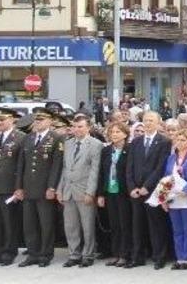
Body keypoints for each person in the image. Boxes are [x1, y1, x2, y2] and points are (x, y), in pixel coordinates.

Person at [16, 107, 65, 267]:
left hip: (45, 188)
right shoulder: (28, 138)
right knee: (29, 224)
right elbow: (21, 165)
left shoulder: (56, 138)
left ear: (50, 121)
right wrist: (19, 187)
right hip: (28, 187)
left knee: (46, 224)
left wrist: (52, 187)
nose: (38, 122)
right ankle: (33, 254)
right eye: (36, 120)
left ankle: (45, 254)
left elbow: (57, 165)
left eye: (41, 120)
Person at [126, 110, 172, 269]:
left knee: (156, 225)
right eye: (145, 120)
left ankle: (159, 256)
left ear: (158, 123)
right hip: (136, 192)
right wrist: (132, 187)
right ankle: (137, 256)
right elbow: (129, 167)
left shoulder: (164, 142)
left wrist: (147, 187)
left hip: (153, 191)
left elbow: (160, 167)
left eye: (151, 120)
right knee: (137, 225)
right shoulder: (136, 142)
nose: (148, 123)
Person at [57, 114, 103, 268]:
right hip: (68, 190)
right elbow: (65, 168)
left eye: (80, 126)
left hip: (84, 191)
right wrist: (60, 189)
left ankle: (88, 255)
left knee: (87, 226)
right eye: (74, 127)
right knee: (70, 226)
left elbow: (95, 170)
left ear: (88, 127)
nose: (76, 129)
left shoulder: (96, 144)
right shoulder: (68, 143)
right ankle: (74, 254)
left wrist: (90, 192)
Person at [0, 108, 26, 266]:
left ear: (12, 120)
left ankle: (9, 252)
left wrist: (19, 187)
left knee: (9, 221)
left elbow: (21, 166)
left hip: (9, 188)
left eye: (2, 120)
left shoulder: (20, 138)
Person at [163, 130, 187, 270]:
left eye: (184, 140)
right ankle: (179, 258)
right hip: (173, 198)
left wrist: (186, 190)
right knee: (177, 230)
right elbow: (166, 178)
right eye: (178, 140)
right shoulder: (171, 158)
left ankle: (186, 258)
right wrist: (164, 197)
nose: (180, 142)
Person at [97, 122, 132, 267]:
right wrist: (100, 194)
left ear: (125, 134)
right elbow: (101, 173)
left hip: (124, 192)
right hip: (110, 191)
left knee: (125, 224)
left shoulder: (130, 150)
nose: (114, 134)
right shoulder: (106, 151)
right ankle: (116, 253)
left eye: (118, 132)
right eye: (112, 132)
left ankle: (125, 254)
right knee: (114, 224)